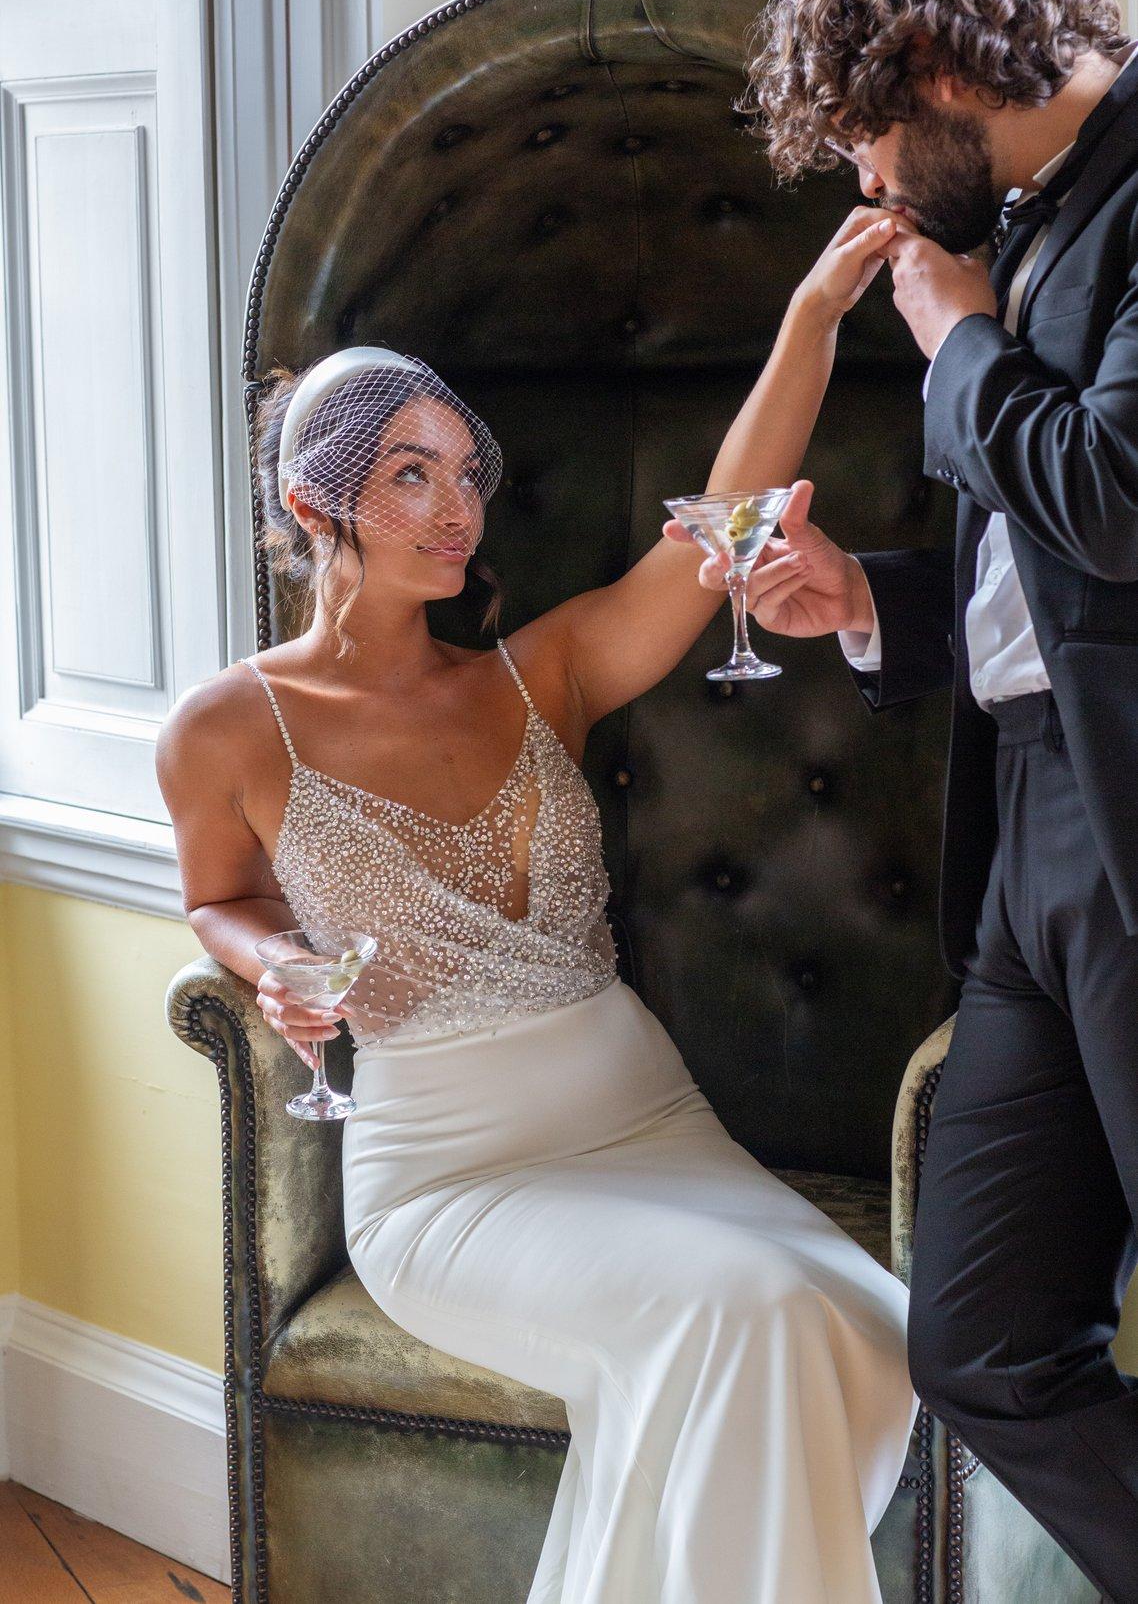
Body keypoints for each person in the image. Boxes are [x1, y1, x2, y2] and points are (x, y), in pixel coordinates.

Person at [156, 207, 919, 1604]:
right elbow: (220, 894)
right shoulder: (225, 726)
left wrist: (812, 314)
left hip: (642, 1115)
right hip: (450, 1175)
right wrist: (270, 959)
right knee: (745, 1319)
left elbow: (719, 532)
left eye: (464, 475)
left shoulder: (536, 672)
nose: (456, 509)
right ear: (318, 504)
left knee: (865, 1327)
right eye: (409, 476)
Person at [671, 0, 1138, 1597]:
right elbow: (1046, 581)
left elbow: (1115, 492)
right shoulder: (1024, 221)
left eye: (869, 132)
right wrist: (857, 601)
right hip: (1028, 840)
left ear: (938, 65)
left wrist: (952, 335)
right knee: (985, 1343)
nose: (868, 180)